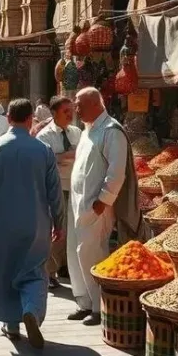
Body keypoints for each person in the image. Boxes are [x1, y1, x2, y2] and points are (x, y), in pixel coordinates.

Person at [0, 98, 63, 349]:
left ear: (8, 118)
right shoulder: (43, 150)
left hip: (1, 225)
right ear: (30, 119)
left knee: (5, 272)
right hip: (36, 225)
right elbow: (55, 192)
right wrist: (60, 223)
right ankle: (31, 310)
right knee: (33, 272)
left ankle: (11, 326)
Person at [66, 88, 133, 326]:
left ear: (95, 104)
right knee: (77, 252)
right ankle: (84, 302)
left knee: (93, 253)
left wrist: (103, 201)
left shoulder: (112, 131)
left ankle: (98, 307)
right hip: (79, 204)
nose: (76, 109)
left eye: (79, 105)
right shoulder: (88, 130)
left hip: (97, 207)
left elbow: (116, 172)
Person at [36, 96, 83, 289]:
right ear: (54, 113)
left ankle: (66, 266)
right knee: (57, 231)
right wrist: (66, 156)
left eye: (71, 111)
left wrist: (63, 158)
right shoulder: (44, 136)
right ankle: (49, 271)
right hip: (55, 188)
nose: (70, 115)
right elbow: (45, 162)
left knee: (73, 229)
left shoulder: (77, 132)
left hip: (76, 187)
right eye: (66, 111)